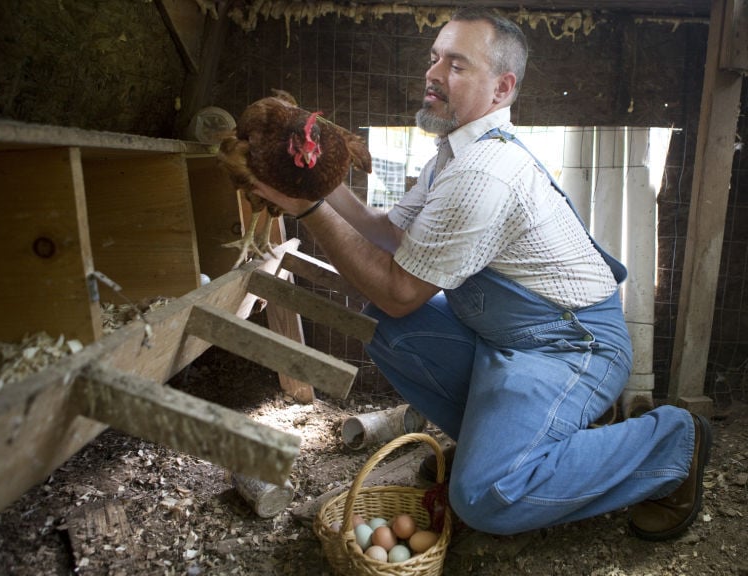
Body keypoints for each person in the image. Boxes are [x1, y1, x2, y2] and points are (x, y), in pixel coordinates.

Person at [250, 7, 711, 541]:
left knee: (485, 497)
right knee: (387, 329)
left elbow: (401, 289)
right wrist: (313, 176)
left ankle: (674, 441)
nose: (433, 72)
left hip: (570, 345)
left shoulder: (483, 172)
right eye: (434, 58)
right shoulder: (451, 156)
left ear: (502, 88)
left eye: (457, 65)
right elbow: (388, 233)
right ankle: (525, 439)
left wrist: (305, 209)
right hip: (508, 334)